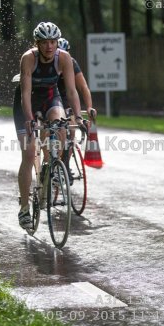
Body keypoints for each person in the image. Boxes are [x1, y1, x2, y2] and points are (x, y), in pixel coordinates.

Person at [13, 22, 86, 230]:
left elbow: (71, 92)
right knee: (28, 154)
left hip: (50, 98)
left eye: (53, 42)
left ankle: (52, 167)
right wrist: (29, 119)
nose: (49, 46)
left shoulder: (64, 58)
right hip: (26, 103)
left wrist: (79, 118)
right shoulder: (28, 58)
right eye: (44, 42)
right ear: (37, 43)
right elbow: (25, 93)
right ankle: (24, 208)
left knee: (61, 125)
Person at [57, 37, 97, 119]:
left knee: (71, 126)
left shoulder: (72, 63)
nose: (62, 56)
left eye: (66, 52)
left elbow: (83, 87)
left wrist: (89, 107)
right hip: (51, 98)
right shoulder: (48, 62)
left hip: (67, 98)